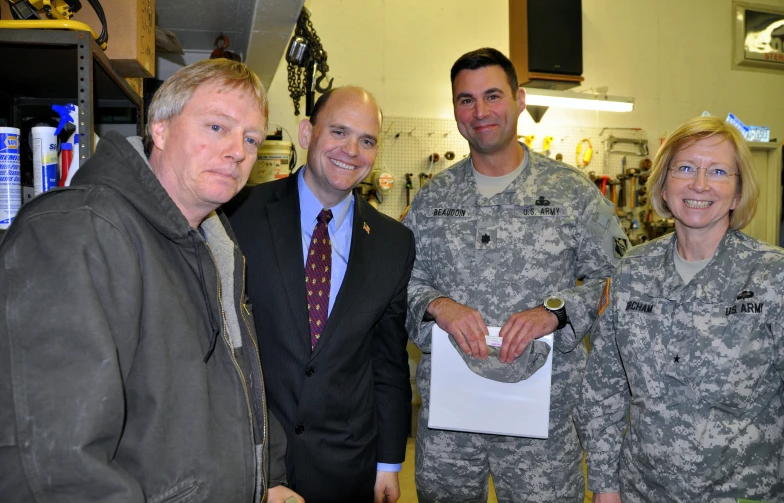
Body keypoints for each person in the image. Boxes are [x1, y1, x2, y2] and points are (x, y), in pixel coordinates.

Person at [0, 58, 301, 503]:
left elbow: (236, 378)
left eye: (251, 138)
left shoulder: (213, 241)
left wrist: (265, 480)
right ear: (159, 129)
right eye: (217, 127)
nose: (238, 150)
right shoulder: (77, 231)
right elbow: (55, 461)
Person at [402, 47, 628, 502]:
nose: (480, 112)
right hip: (451, 424)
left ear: (520, 100)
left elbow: (618, 277)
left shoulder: (571, 194)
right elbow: (398, 282)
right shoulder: (432, 199)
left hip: (541, 422)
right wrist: (436, 305)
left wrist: (556, 312)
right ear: (455, 110)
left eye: (492, 96)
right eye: (466, 100)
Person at [577, 116, 784, 502]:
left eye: (719, 171)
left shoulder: (773, 276)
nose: (700, 184)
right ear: (664, 184)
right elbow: (603, 389)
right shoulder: (631, 272)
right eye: (685, 168)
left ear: (738, 192)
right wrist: (604, 485)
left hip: (745, 491)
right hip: (644, 490)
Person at [226, 86, 414, 503]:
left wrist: (388, 463)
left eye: (367, 140)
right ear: (307, 133)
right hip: (251, 458)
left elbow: (388, 362)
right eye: (339, 132)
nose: (352, 150)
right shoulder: (239, 214)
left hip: (346, 467)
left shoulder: (393, 243)